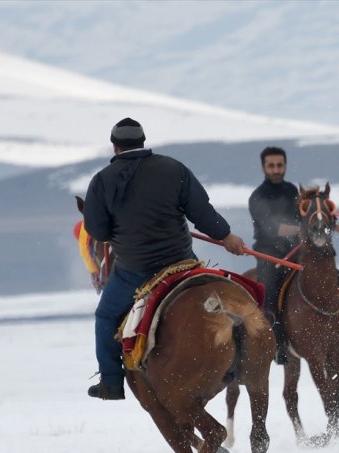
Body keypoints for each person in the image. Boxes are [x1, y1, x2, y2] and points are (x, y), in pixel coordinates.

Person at [83, 118, 246, 399]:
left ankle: (111, 383)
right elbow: (202, 213)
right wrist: (227, 236)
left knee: (106, 316)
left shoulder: (102, 181)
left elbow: (97, 231)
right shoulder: (173, 168)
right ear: (143, 142)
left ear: (115, 146)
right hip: (181, 262)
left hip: (134, 270)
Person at [248, 146, 339, 364]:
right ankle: (277, 342)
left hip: (297, 253)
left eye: (280, 165)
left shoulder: (293, 193)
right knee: (269, 287)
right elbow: (271, 227)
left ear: (285, 166)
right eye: (271, 165)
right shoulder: (257, 197)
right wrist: (301, 231)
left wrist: (336, 226)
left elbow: (311, 221)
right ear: (263, 168)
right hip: (270, 255)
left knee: (338, 278)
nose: (276, 169)